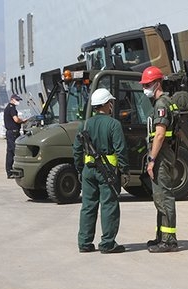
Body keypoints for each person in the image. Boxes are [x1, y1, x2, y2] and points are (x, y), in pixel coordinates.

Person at [72, 88, 129, 254]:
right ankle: (107, 244)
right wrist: (124, 170)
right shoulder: (113, 124)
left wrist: (80, 169)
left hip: (88, 170)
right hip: (108, 172)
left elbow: (76, 149)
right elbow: (121, 150)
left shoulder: (85, 124)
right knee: (109, 206)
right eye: (110, 102)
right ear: (105, 104)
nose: (112, 105)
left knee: (88, 206)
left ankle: (84, 243)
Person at [140, 66, 179, 253]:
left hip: (162, 157)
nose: (144, 88)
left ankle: (169, 240)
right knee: (159, 198)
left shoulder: (162, 105)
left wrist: (152, 159)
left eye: (147, 84)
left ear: (157, 84)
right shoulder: (164, 102)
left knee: (164, 197)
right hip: (164, 155)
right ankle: (161, 236)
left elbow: (160, 135)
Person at [4, 93, 26, 178]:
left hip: (10, 133)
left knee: (10, 153)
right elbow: (16, 120)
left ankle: (9, 172)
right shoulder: (12, 108)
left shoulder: (8, 108)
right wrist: (23, 121)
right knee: (15, 151)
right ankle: (15, 170)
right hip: (13, 133)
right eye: (17, 100)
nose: (18, 102)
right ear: (12, 99)